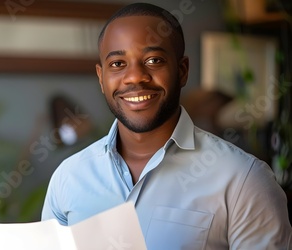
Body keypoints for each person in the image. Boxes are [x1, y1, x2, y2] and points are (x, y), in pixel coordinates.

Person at [41, 2, 292, 249]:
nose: (135, 76)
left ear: (182, 71)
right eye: (118, 64)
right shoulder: (68, 177)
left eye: (153, 60)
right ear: (101, 77)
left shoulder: (244, 179)